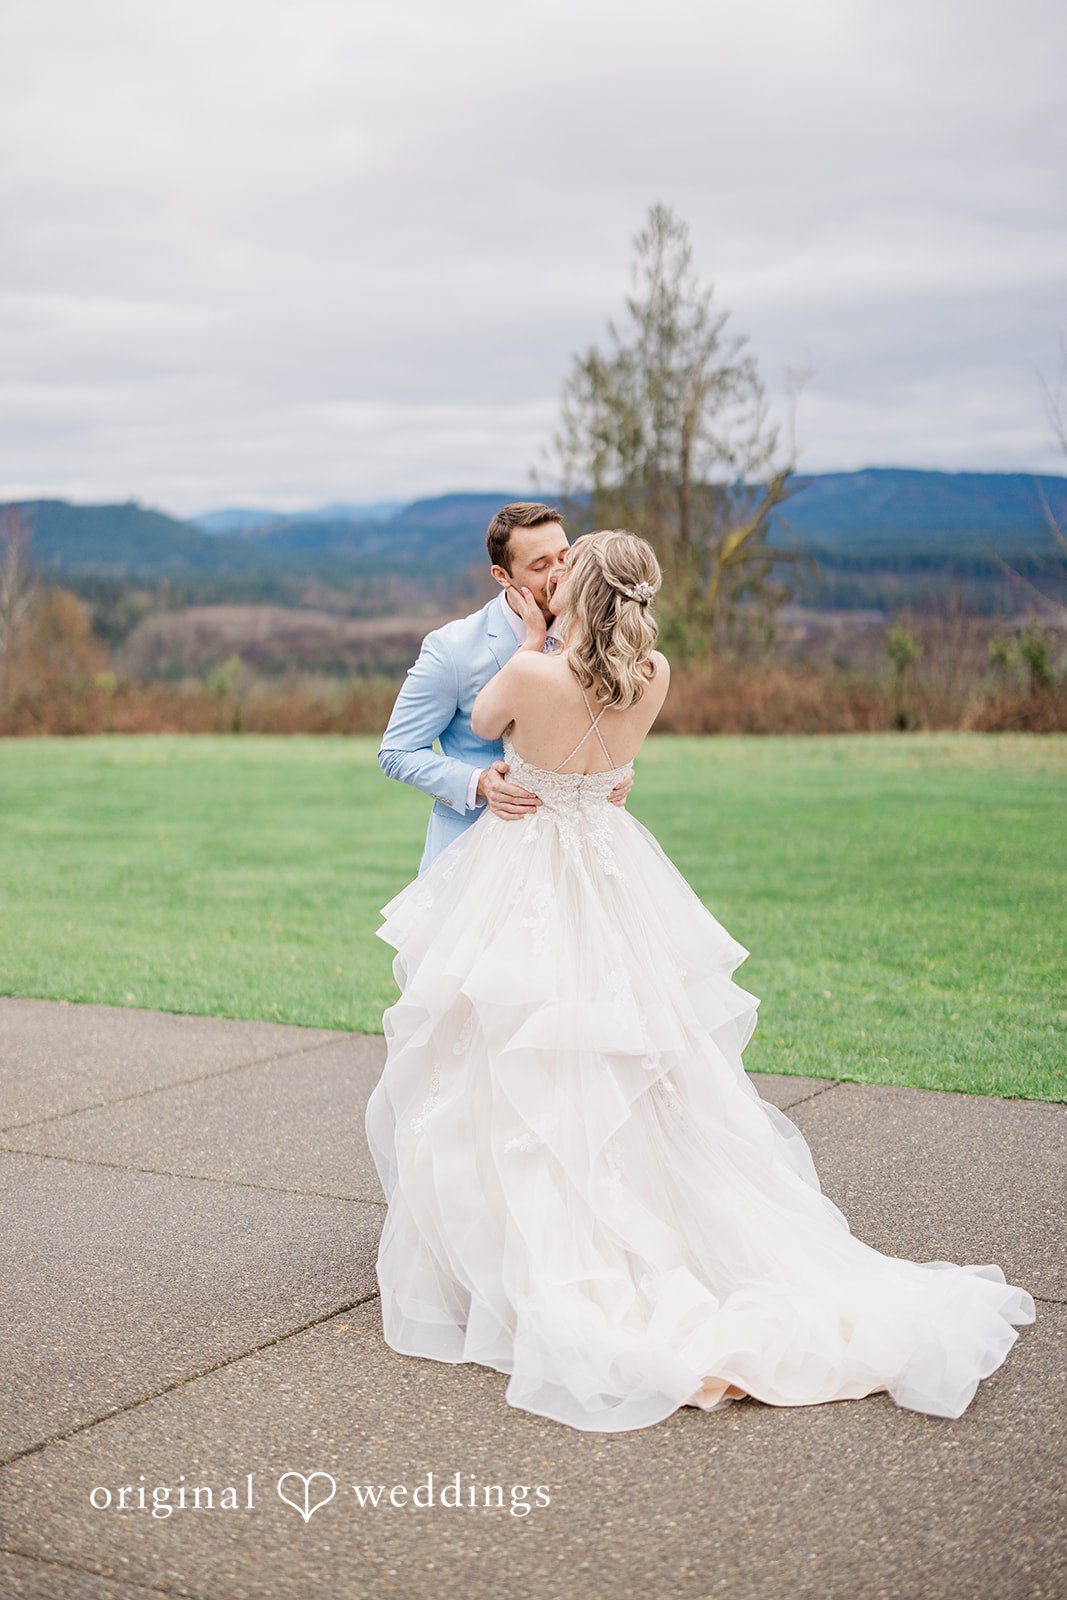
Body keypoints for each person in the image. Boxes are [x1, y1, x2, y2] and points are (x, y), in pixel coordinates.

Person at [364, 528, 1035, 1434]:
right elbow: (607, 753)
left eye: (565, 570)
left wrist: (529, 645)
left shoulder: (526, 671)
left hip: (531, 872)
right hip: (613, 866)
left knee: (516, 1050)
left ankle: (528, 1243)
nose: (551, 580)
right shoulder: (655, 673)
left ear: (578, 594)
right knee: (642, 1052)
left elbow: (484, 727)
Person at [377, 501, 633, 874]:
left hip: (571, 864)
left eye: (565, 558)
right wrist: (478, 783)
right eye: (540, 566)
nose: (559, 574)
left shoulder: (597, 643)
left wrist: (616, 772)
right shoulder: (452, 649)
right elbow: (397, 752)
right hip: (473, 862)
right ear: (502, 575)